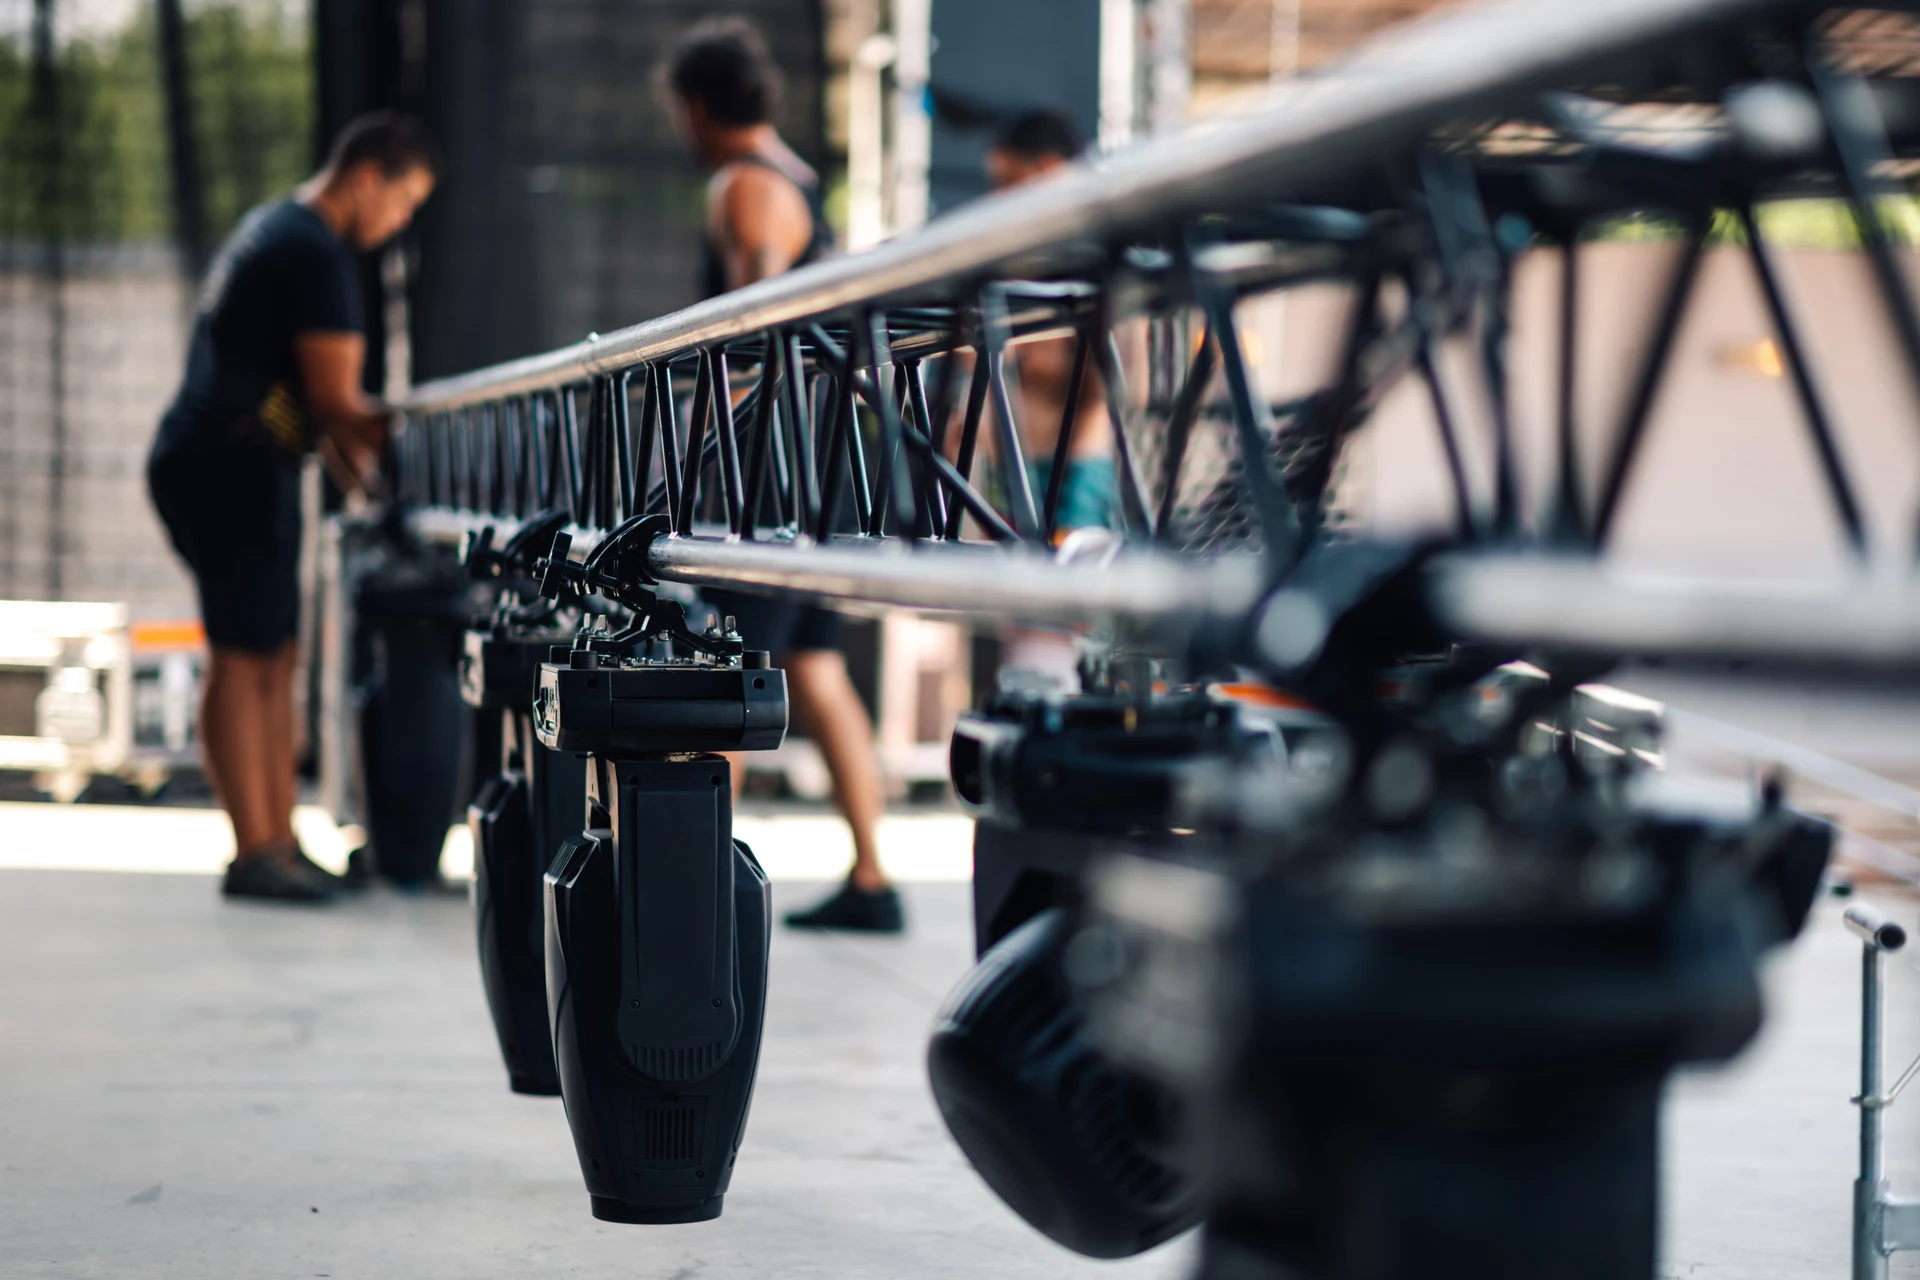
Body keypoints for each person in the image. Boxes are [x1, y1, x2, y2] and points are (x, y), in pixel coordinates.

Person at [147, 112, 437, 903]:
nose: (397, 225)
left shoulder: (282, 229)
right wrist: (419, 442)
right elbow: (339, 403)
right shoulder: (313, 250)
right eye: (403, 204)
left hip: (231, 461)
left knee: (270, 654)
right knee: (246, 657)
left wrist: (367, 476)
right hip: (229, 465)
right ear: (368, 175)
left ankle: (274, 836)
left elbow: (325, 413)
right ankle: (256, 852)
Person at [663, 18, 903, 933]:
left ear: (694, 107)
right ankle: (874, 879)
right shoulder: (799, 177)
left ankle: (689, 895)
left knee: (730, 666)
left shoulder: (745, 188)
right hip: (820, 460)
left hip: (771, 467)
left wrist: (700, 442)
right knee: (812, 664)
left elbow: (751, 331)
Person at [985, 109, 1117, 535]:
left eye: (1008, 181)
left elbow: (1112, 386)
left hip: (1073, 474)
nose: (1000, 199)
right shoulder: (1022, 255)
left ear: (1048, 168)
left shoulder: (1096, 249)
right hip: (1017, 463)